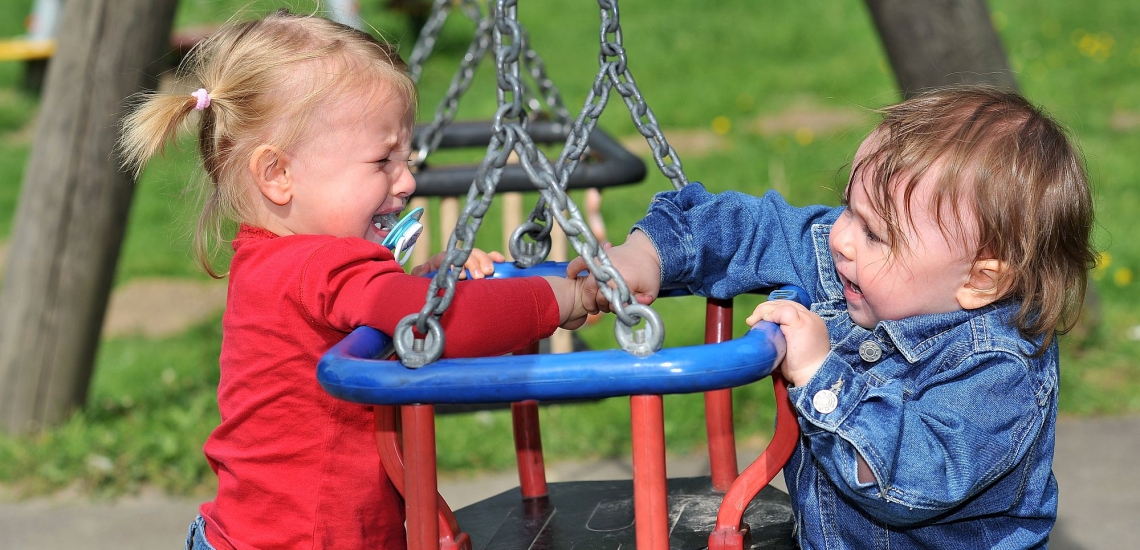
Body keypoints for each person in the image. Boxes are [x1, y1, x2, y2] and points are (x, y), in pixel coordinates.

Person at [119, 11, 588, 550]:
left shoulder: (278, 260)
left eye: (405, 158)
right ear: (278, 175)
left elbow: (398, 316)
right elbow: (444, 323)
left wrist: (426, 283)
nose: (407, 180)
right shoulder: (320, 265)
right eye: (383, 159)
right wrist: (561, 297)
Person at [569, 86, 1096, 549]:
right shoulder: (858, 268)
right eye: (849, 208)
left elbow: (906, 485)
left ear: (979, 281)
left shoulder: (996, 371)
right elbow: (753, 228)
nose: (840, 238)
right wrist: (649, 255)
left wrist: (823, 375)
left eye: (875, 233)